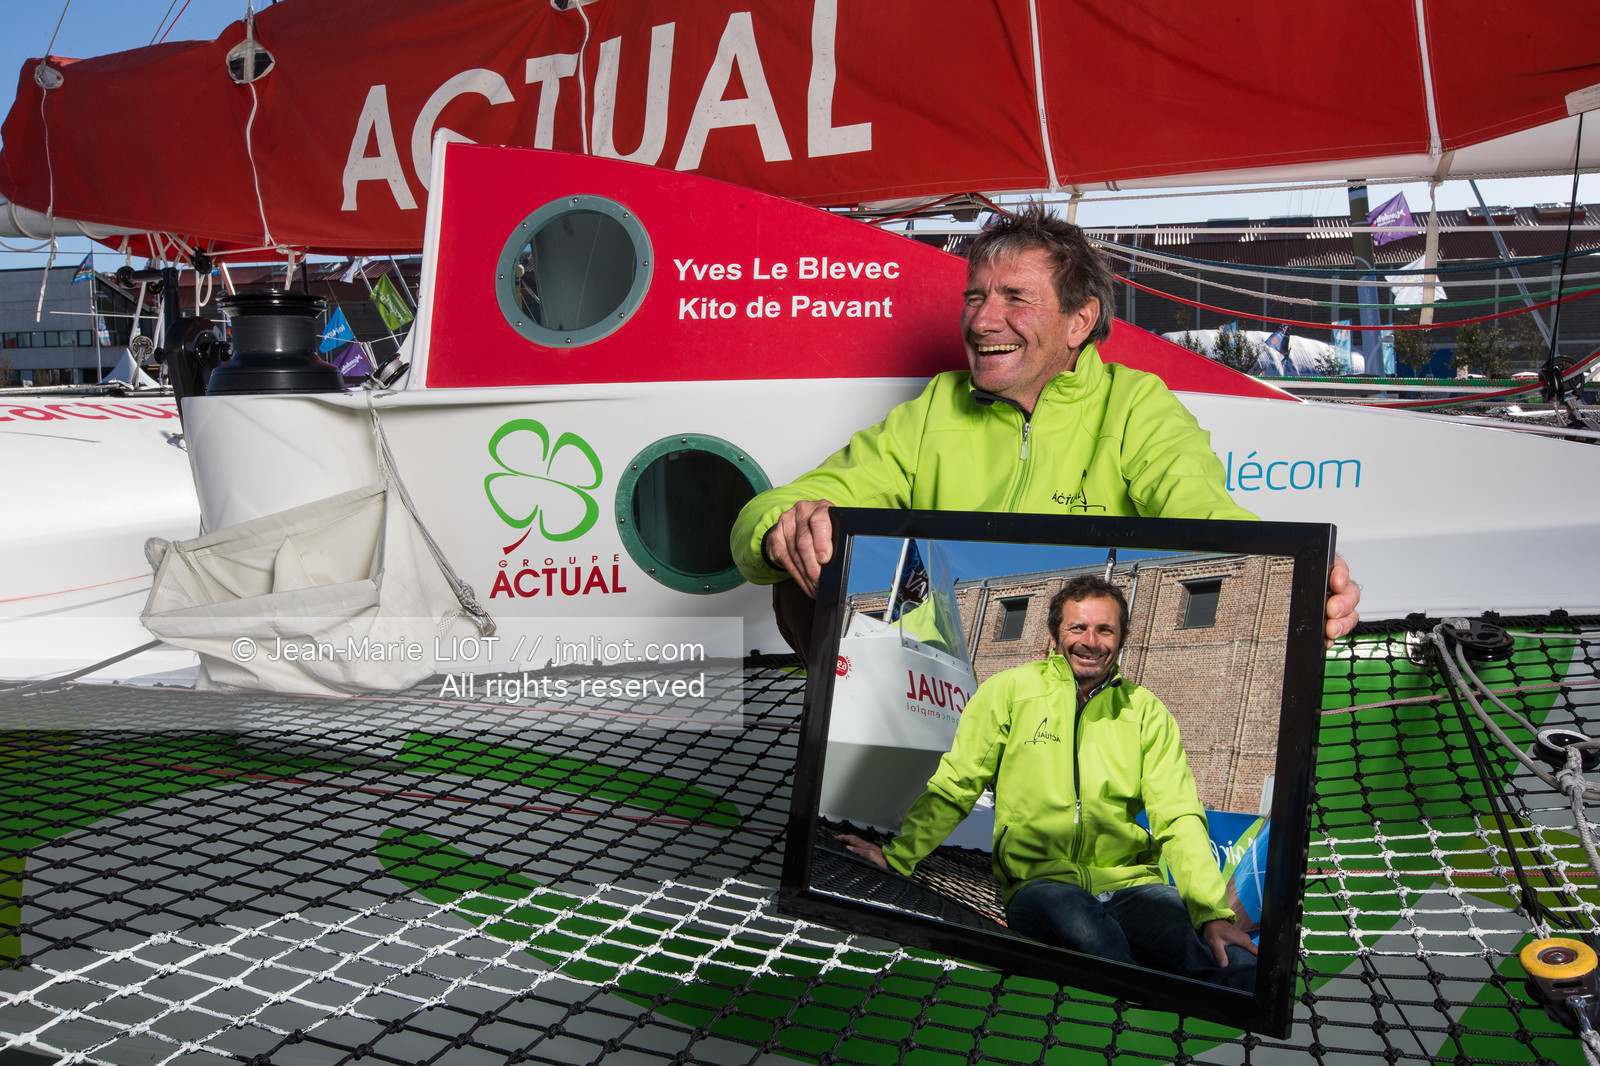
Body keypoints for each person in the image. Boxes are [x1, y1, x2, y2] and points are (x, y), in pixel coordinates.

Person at [729, 202, 1359, 657]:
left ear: (1079, 322)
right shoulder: (935, 408)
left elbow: (1200, 512)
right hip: (940, 674)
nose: (983, 321)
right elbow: (773, 508)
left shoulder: (1134, 404)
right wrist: (787, 525)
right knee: (807, 572)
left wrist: (1292, 575)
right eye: (975, 297)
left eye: (1015, 299)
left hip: (1077, 677)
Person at [838, 576, 1258, 990]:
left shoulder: (1145, 712)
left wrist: (1212, 915)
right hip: (1041, 886)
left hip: (1133, 887)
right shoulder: (1010, 692)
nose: (1090, 641)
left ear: (1123, 637)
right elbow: (957, 784)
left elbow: (1178, 815)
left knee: (1234, 965)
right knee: (1094, 942)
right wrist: (900, 856)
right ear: (1055, 634)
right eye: (1078, 627)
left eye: (1104, 629)